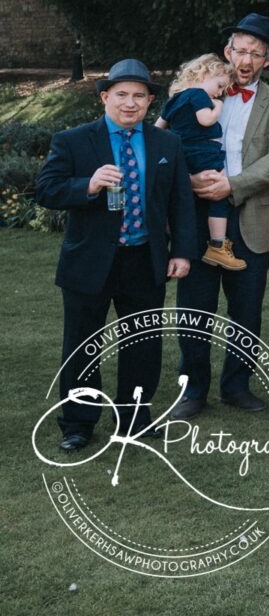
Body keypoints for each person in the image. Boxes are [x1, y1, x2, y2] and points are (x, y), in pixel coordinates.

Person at [36, 59, 196, 451]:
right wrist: (86, 185)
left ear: (149, 102)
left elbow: (181, 203)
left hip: (145, 259)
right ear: (105, 97)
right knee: (82, 345)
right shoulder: (73, 140)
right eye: (121, 94)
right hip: (89, 261)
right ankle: (78, 424)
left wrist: (183, 252)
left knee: (143, 344)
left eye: (138, 96)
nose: (130, 103)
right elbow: (47, 190)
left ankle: (135, 420)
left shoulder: (166, 144)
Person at [171, 13, 269, 420]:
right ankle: (192, 390)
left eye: (255, 53)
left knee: (245, 310)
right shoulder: (194, 93)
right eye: (239, 50)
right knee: (195, 307)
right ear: (227, 53)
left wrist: (234, 185)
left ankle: (237, 385)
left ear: (267, 60)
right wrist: (189, 180)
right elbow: (170, 141)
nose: (245, 59)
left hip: (252, 219)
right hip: (196, 218)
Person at [156, 53, 245, 270]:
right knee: (218, 195)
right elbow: (205, 120)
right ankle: (217, 245)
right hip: (203, 153)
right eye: (220, 85)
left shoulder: (174, 99)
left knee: (184, 197)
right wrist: (218, 107)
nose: (220, 93)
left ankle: (170, 227)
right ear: (204, 74)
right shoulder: (198, 95)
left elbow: (157, 129)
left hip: (183, 153)